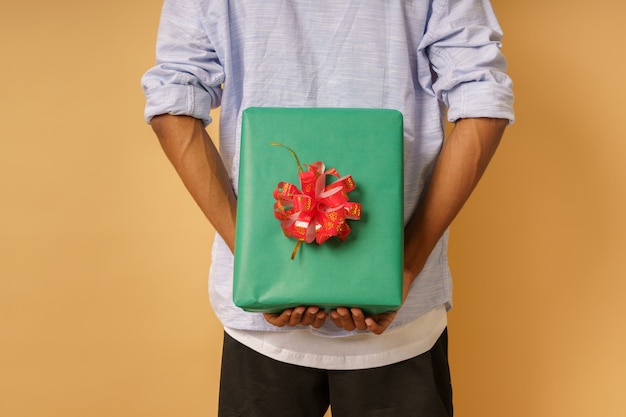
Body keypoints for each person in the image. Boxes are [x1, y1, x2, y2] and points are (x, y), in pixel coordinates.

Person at [141, 1, 514, 416]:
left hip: (276, 319)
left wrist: (261, 265)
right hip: (396, 315)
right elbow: (484, 100)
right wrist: (404, 266)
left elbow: (173, 101)